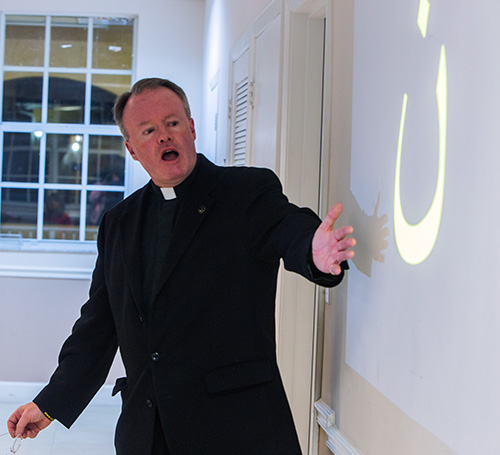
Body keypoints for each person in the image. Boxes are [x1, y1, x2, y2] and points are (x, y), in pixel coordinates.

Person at [7, 78, 356, 454]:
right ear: (132, 149)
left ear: (190, 128)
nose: (163, 136)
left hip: (237, 430)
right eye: (149, 130)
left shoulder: (245, 192)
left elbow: (286, 227)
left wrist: (312, 251)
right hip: (149, 434)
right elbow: (98, 325)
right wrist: (50, 402)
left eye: (172, 123)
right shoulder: (119, 223)